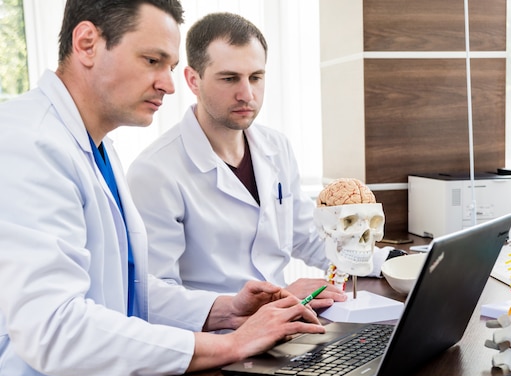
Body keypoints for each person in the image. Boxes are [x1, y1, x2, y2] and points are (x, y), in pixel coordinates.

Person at [0, 2, 327, 376]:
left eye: (170, 65)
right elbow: (55, 329)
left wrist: (227, 310)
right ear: (86, 43)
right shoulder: (29, 142)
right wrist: (228, 344)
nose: (169, 85)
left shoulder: (95, 145)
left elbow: (125, 296)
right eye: (152, 61)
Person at [127, 12, 395, 298]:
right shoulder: (154, 172)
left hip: (283, 323)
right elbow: (156, 295)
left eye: (256, 77)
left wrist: (389, 263)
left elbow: (306, 237)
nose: (247, 94)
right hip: (218, 336)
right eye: (229, 79)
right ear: (193, 80)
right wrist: (271, 301)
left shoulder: (277, 147)